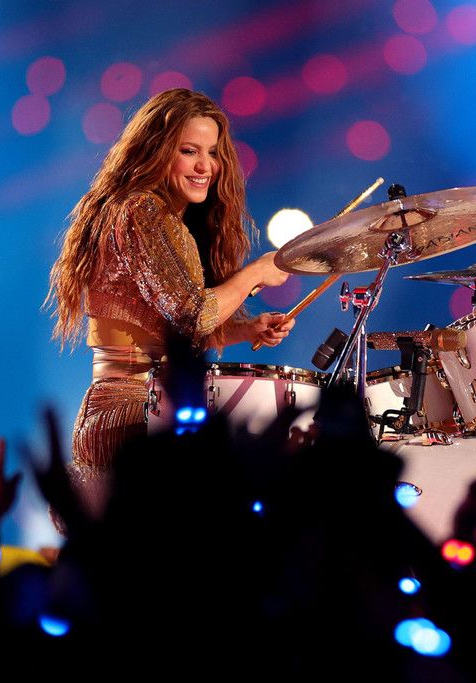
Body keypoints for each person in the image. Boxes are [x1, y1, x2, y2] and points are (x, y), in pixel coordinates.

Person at [45, 88, 294, 482]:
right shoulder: (141, 210)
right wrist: (255, 273)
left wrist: (245, 330)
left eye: (212, 152)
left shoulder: (163, 219)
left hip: (148, 406)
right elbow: (193, 316)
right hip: (131, 413)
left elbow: (176, 334)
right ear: (156, 152)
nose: (205, 166)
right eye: (189, 151)